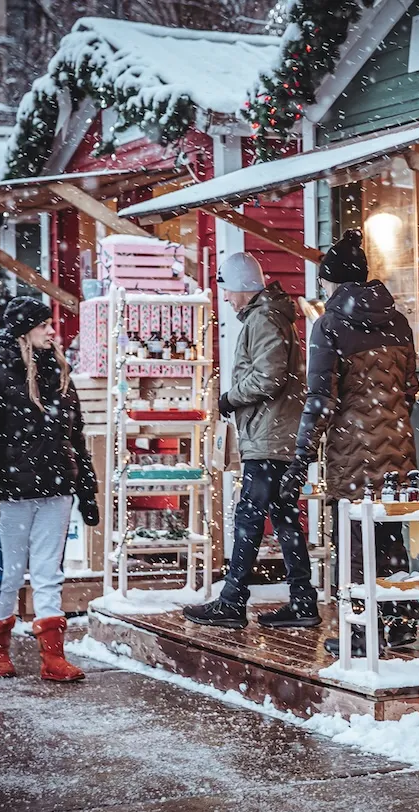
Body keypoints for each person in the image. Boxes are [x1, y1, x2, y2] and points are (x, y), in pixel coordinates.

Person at [279, 229, 419, 657]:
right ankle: (398, 625)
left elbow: (321, 402)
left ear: (333, 281)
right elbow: (410, 387)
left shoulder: (330, 327)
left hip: (353, 450)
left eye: (323, 280)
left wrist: (301, 456)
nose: (319, 287)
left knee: (354, 540)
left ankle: (360, 633)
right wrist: (389, 422)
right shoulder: (397, 322)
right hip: (398, 445)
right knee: (391, 535)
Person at [0, 297, 98, 682]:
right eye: (44, 325)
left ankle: (53, 658)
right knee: (8, 574)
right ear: (25, 330)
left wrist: (86, 487)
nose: (52, 331)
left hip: (55, 489)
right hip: (10, 494)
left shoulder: (58, 373)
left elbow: (75, 435)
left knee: (47, 574)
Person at [183, 253, 316, 630]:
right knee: (284, 518)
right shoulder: (272, 316)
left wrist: (229, 398)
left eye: (226, 289)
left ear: (242, 287)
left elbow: (269, 378)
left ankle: (232, 600)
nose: (224, 297)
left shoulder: (263, 319)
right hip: (278, 433)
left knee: (250, 516)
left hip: (269, 436)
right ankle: (303, 601)